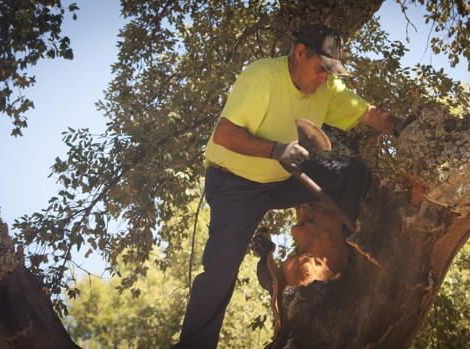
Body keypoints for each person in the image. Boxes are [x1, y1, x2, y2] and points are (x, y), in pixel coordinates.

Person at [173, 23, 405, 349]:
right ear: (299, 53)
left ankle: (349, 253)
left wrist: (402, 126)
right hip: (235, 187)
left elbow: (368, 113)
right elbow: (223, 135)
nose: (324, 77)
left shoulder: (327, 89)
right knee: (219, 273)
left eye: (330, 71)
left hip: (281, 178)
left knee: (352, 171)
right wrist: (276, 149)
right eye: (320, 68)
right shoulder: (263, 77)